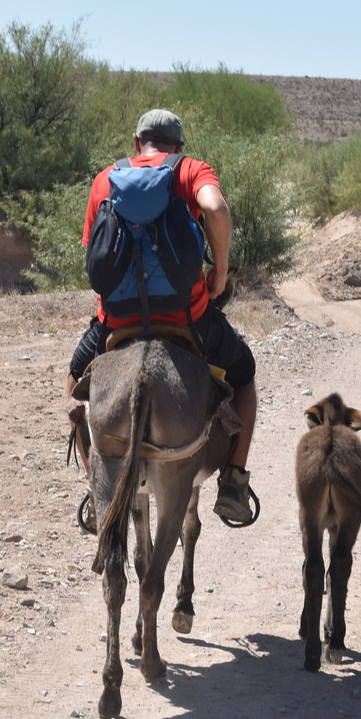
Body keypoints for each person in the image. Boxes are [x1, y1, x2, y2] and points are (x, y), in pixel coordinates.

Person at [68, 109, 258, 525]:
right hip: (187, 316)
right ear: (178, 147)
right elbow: (217, 210)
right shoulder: (190, 171)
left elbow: (94, 256)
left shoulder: (106, 179)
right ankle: (233, 482)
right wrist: (220, 271)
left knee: (74, 382)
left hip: (116, 322)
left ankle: (94, 485)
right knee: (244, 373)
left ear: (137, 143)